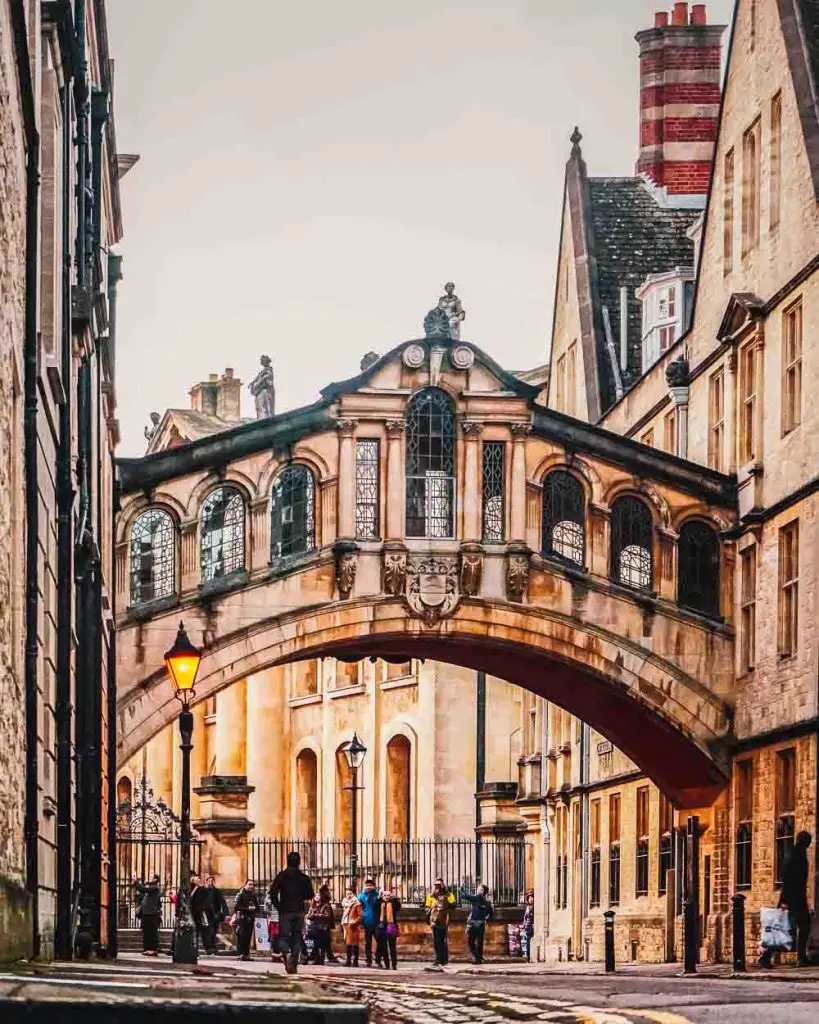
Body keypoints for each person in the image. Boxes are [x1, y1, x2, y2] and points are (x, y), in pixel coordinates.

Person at [758, 831, 813, 968]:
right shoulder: (796, 855)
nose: (809, 842)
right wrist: (784, 902)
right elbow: (788, 879)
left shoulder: (796, 853)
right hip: (792, 899)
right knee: (781, 929)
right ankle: (765, 956)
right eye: (808, 840)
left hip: (797, 898)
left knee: (801, 926)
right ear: (805, 841)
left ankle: (801, 958)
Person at [269, 850, 315, 974]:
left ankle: (286, 953)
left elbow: (272, 893)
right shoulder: (304, 878)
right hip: (299, 911)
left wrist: (279, 907)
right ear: (299, 862)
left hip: (285, 911)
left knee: (283, 936)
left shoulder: (282, 876)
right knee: (296, 937)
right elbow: (310, 894)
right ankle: (293, 963)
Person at [425, 879, 455, 970]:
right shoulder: (431, 896)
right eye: (436, 885)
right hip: (433, 921)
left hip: (443, 921)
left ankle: (441, 959)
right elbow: (427, 907)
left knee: (441, 941)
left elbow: (453, 905)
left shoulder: (448, 895)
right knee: (437, 942)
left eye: (439, 885)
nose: (437, 887)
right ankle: (440, 959)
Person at [460, 884, 494, 964]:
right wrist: (486, 919)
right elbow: (491, 914)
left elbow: (465, 896)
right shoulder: (488, 902)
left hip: (473, 924)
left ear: (482, 891)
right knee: (480, 942)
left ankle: (477, 958)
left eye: (479, 889)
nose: (477, 890)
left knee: (470, 942)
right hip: (482, 924)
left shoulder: (476, 898)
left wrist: (461, 889)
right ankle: (480, 958)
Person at [306, 885, 335, 965]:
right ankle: (317, 959)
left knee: (321, 944)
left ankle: (320, 960)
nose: (316, 896)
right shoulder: (315, 904)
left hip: (323, 927)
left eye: (318, 895)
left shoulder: (325, 905)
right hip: (316, 926)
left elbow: (327, 915)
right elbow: (309, 914)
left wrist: (316, 915)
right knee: (316, 944)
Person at [134, 874, 162, 956]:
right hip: (146, 913)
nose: (149, 879)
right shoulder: (149, 889)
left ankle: (152, 949)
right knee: (146, 932)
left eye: (152, 877)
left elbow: (143, 889)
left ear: (156, 880)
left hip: (152, 914)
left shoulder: (155, 888)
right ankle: (147, 949)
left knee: (152, 932)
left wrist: (136, 881)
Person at [375, 885, 401, 971]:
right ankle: (387, 964)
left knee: (392, 947)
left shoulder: (393, 903)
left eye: (388, 895)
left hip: (391, 926)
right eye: (385, 895)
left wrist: (395, 898)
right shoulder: (379, 903)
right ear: (382, 896)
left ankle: (394, 964)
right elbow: (374, 906)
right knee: (383, 947)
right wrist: (379, 897)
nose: (386, 897)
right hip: (382, 926)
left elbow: (398, 907)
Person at [233, 878, 260, 960]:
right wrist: (247, 909)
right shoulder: (240, 894)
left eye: (252, 885)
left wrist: (254, 908)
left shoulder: (253, 895)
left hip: (250, 918)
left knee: (248, 937)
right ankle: (241, 953)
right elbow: (236, 906)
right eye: (249, 884)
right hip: (242, 918)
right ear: (245, 885)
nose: (251, 886)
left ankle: (246, 954)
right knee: (242, 936)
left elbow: (258, 907)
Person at [357, 878, 382, 967]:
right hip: (366, 922)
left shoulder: (378, 895)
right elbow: (358, 908)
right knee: (368, 943)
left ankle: (378, 959)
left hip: (377, 922)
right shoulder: (361, 896)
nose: (368, 887)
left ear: (374, 886)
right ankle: (368, 960)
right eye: (367, 885)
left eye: (370, 886)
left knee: (380, 942)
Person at [204, 875, 228, 954]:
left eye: (212, 881)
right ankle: (209, 947)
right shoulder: (203, 891)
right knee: (209, 931)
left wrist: (226, 913)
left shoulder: (217, 891)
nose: (210, 883)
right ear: (206, 882)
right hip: (206, 914)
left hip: (215, 915)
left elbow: (223, 902)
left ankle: (213, 947)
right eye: (209, 881)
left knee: (213, 931)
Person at [341, 887, 363, 967]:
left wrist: (354, 921)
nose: (349, 895)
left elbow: (360, 916)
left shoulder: (357, 904)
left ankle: (355, 961)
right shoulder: (345, 903)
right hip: (346, 924)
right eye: (347, 894)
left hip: (353, 926)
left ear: (353, 894)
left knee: (354, 944)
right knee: (348, 944)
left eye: (350, 894)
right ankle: (348, 960)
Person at [189, 875, 210, 952]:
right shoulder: (191, 889)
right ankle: (194, 947)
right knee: (194, 931)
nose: (198, 881)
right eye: (196, 880)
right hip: (191, 913)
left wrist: (201, 909)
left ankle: (206, 947)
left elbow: (207, 900)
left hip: (199, 913)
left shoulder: (203, 890)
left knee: (202, 930)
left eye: (199, 880)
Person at [521, 892, 535, 962]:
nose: (531, 899)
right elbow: (525, 917)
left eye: (532, 897)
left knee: (530, 942)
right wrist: (523, 925)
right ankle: (528, 957)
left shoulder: (535, 907)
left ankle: (530, 957)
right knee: (527, 942)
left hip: (532, 926)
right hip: (527, 926)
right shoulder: (527, 907)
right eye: (529, 898)